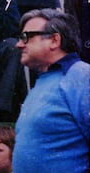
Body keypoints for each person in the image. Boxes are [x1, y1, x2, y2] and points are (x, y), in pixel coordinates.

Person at [12, 9, 90, 173]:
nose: (18, 44)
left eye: (26, 37)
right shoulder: (44, 82)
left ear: (54, 40)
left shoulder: (81, 76)